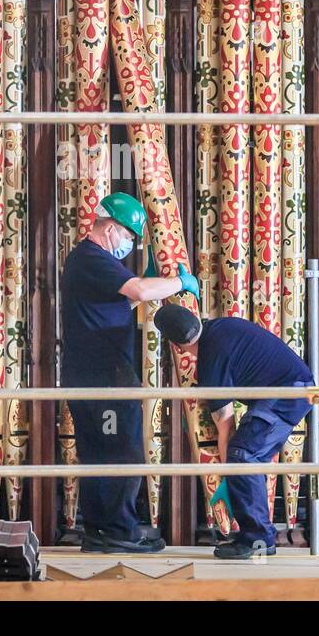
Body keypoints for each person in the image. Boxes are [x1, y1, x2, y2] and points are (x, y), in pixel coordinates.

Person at [60, 192, 199, 553]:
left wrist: (151, 283)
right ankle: (117, 532)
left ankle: (101, 531)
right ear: (110, 228)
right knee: (120, 450)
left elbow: (124, 300)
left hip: (92, 374)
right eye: (129, 236)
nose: (130, 244)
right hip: (103, 377)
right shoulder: (92, 257)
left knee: (100, 452)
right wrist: (180, 283)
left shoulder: (86, 262)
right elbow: (136, 289)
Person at [153, 304, 312, 559]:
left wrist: (228, 473)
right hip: (294, 390)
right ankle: (258, 535)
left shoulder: (210, 363)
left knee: (242, 455)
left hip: (287, 394)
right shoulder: (221, 325)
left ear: (176, 346)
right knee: (251, 459)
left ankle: (257, 539)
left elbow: (226, 424)